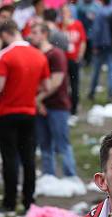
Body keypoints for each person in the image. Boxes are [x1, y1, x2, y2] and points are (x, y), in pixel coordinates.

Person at [0, 20, 50, 215]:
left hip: (7, 112)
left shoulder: (5, 56)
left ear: (4, 35)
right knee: (28, 158)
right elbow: (46, 86)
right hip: (29, 112)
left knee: (10, 158)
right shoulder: (39, 55)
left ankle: (9, 202)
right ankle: (28, 200)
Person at [30, 23, 80, 186]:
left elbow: (56, 82)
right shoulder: (35, 54)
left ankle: (70, 176)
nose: (32, 35)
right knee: (45, 144)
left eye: (36, 32)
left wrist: (37, 99)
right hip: (41, 105)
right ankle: (48, 177)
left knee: (62, 143)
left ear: (45, 34)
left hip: (57, 105)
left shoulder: (56, 54)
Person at [59, 3, 86, 121]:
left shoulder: (78, 24)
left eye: (66, 11)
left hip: (73, 59)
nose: (64, 14)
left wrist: (80, 55)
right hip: (62, 60)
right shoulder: (59, 26)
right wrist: (64, 27)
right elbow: (57, 40)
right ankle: (65, 105)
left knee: (75, 84)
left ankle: (74, 108)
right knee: (64, 84)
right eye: (62, 12)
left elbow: (83, 40)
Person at [87, 0, 112, 102]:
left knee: (96, 70)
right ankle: (111, 93)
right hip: (111, 44)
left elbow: (96, 29)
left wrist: (94, 44)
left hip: (101, 44)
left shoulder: (100, 13)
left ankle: (91, 92)